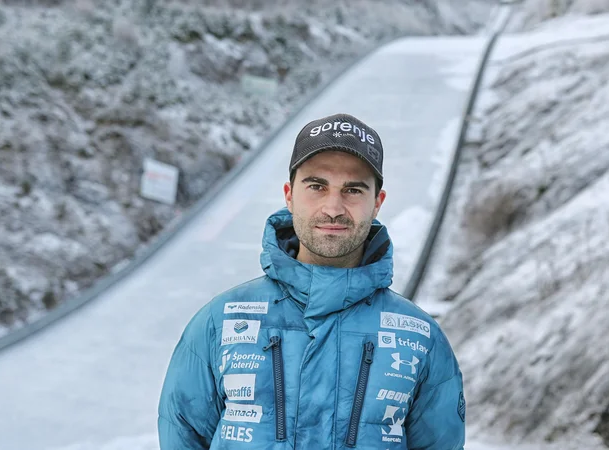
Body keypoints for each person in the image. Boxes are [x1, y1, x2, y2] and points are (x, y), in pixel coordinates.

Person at [157, 113, 466, 449]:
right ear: (289, 195)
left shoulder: (419, 338)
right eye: (317, 186)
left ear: (377, 202)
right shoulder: (220, 322)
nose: (333, 207)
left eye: (353, 190)